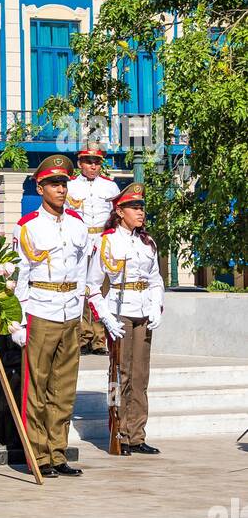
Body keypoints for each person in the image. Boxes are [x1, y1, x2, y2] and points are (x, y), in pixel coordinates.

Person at [10, 153, 120, 477]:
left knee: (64, 388)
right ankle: (38, 456)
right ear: (40, 188)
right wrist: (17, 322)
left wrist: (101, 312)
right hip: (41, 311)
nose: (60, 189)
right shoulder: (27, 227)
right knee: (37, 389)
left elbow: (87, 277)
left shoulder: (78, 226)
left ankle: (58, 453)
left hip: (71, 312)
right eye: (53, 184)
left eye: (63, 183)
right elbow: (19, 278)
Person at [88, 182, 165, 456]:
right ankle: (118, 431)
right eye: (134, 207)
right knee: (120, 375)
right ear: (119, 211)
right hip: (119, 310)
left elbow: (156, 280)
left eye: (141, 207)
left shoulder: (148, 242)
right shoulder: (106, 241)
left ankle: (136, 434)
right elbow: (92, 286)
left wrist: (157, 306)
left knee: (140, 376)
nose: (140, 212)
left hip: (143, 310)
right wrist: (106, 318)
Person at [66, 147, 121, 354]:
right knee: (80, 288)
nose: (93, 166)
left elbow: (117, 215)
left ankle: (99, 339)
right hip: (79, 241)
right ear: (80, 163)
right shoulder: (70, 185)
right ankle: (82, 336)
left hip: (101, 239)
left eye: (96, 162)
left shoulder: (110, 186)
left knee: (100, 289)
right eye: (88, 162)